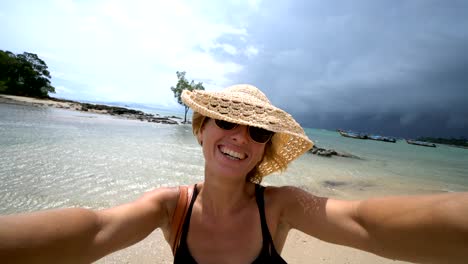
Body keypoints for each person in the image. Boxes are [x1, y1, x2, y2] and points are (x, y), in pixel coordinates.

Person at [1, 84, 467, 264]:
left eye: (258, 130)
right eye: (226, 121)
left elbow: (365, 222)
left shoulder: (281, 206)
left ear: (266, 146)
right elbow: (95, 229)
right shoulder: (170, 206)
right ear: (201, 131)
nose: (240, 137)